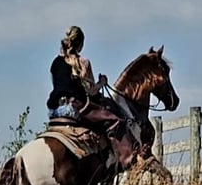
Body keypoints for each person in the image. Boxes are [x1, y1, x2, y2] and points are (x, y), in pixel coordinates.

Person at [45, 26, 139, 168]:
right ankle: (126, 160)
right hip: (74, 109)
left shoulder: (55, 63)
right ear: (81, 44)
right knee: (114, 120)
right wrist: (102, 83)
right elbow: (91, 92)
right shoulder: (83, 62)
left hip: (55, 110)